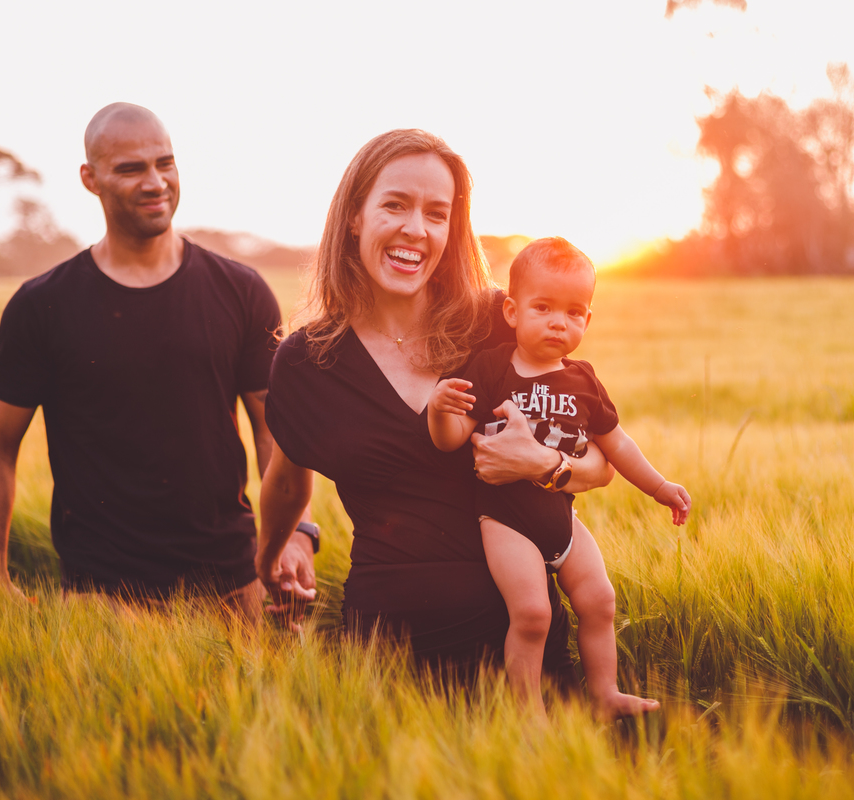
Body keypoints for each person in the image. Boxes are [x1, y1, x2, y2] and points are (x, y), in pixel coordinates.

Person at [258, 129, 628, 693]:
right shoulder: (308, 360)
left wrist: (541, 465)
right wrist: (271, 554)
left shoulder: (500, 324)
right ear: (354, 216)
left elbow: (600, 464)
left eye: (437, 212)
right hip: (385, 653)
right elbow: (287, 480)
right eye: (395, 205)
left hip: (520, 644)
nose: (416, 229)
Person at [0, 102, 317, 621]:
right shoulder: (42, 305)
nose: (156, 182)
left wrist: (295, 536)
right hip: (99, 601)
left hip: (234, 588)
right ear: (91, 179)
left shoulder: (241, 291)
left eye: (165, 163)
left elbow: (277, 433)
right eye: (131, 168)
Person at [428, 237, 691, 716]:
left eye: (574, 312)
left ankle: (604, 694)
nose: (558, 321)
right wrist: (438, 411)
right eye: (543, 307)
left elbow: (617, 445)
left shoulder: (584, 380)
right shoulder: (490, 368)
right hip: (505, 521)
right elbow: (451, 440)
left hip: (563, 519)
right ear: (511, 311)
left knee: (600, 599)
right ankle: (529, 717)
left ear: (587, 321)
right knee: (532, 615)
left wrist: (659, 487)